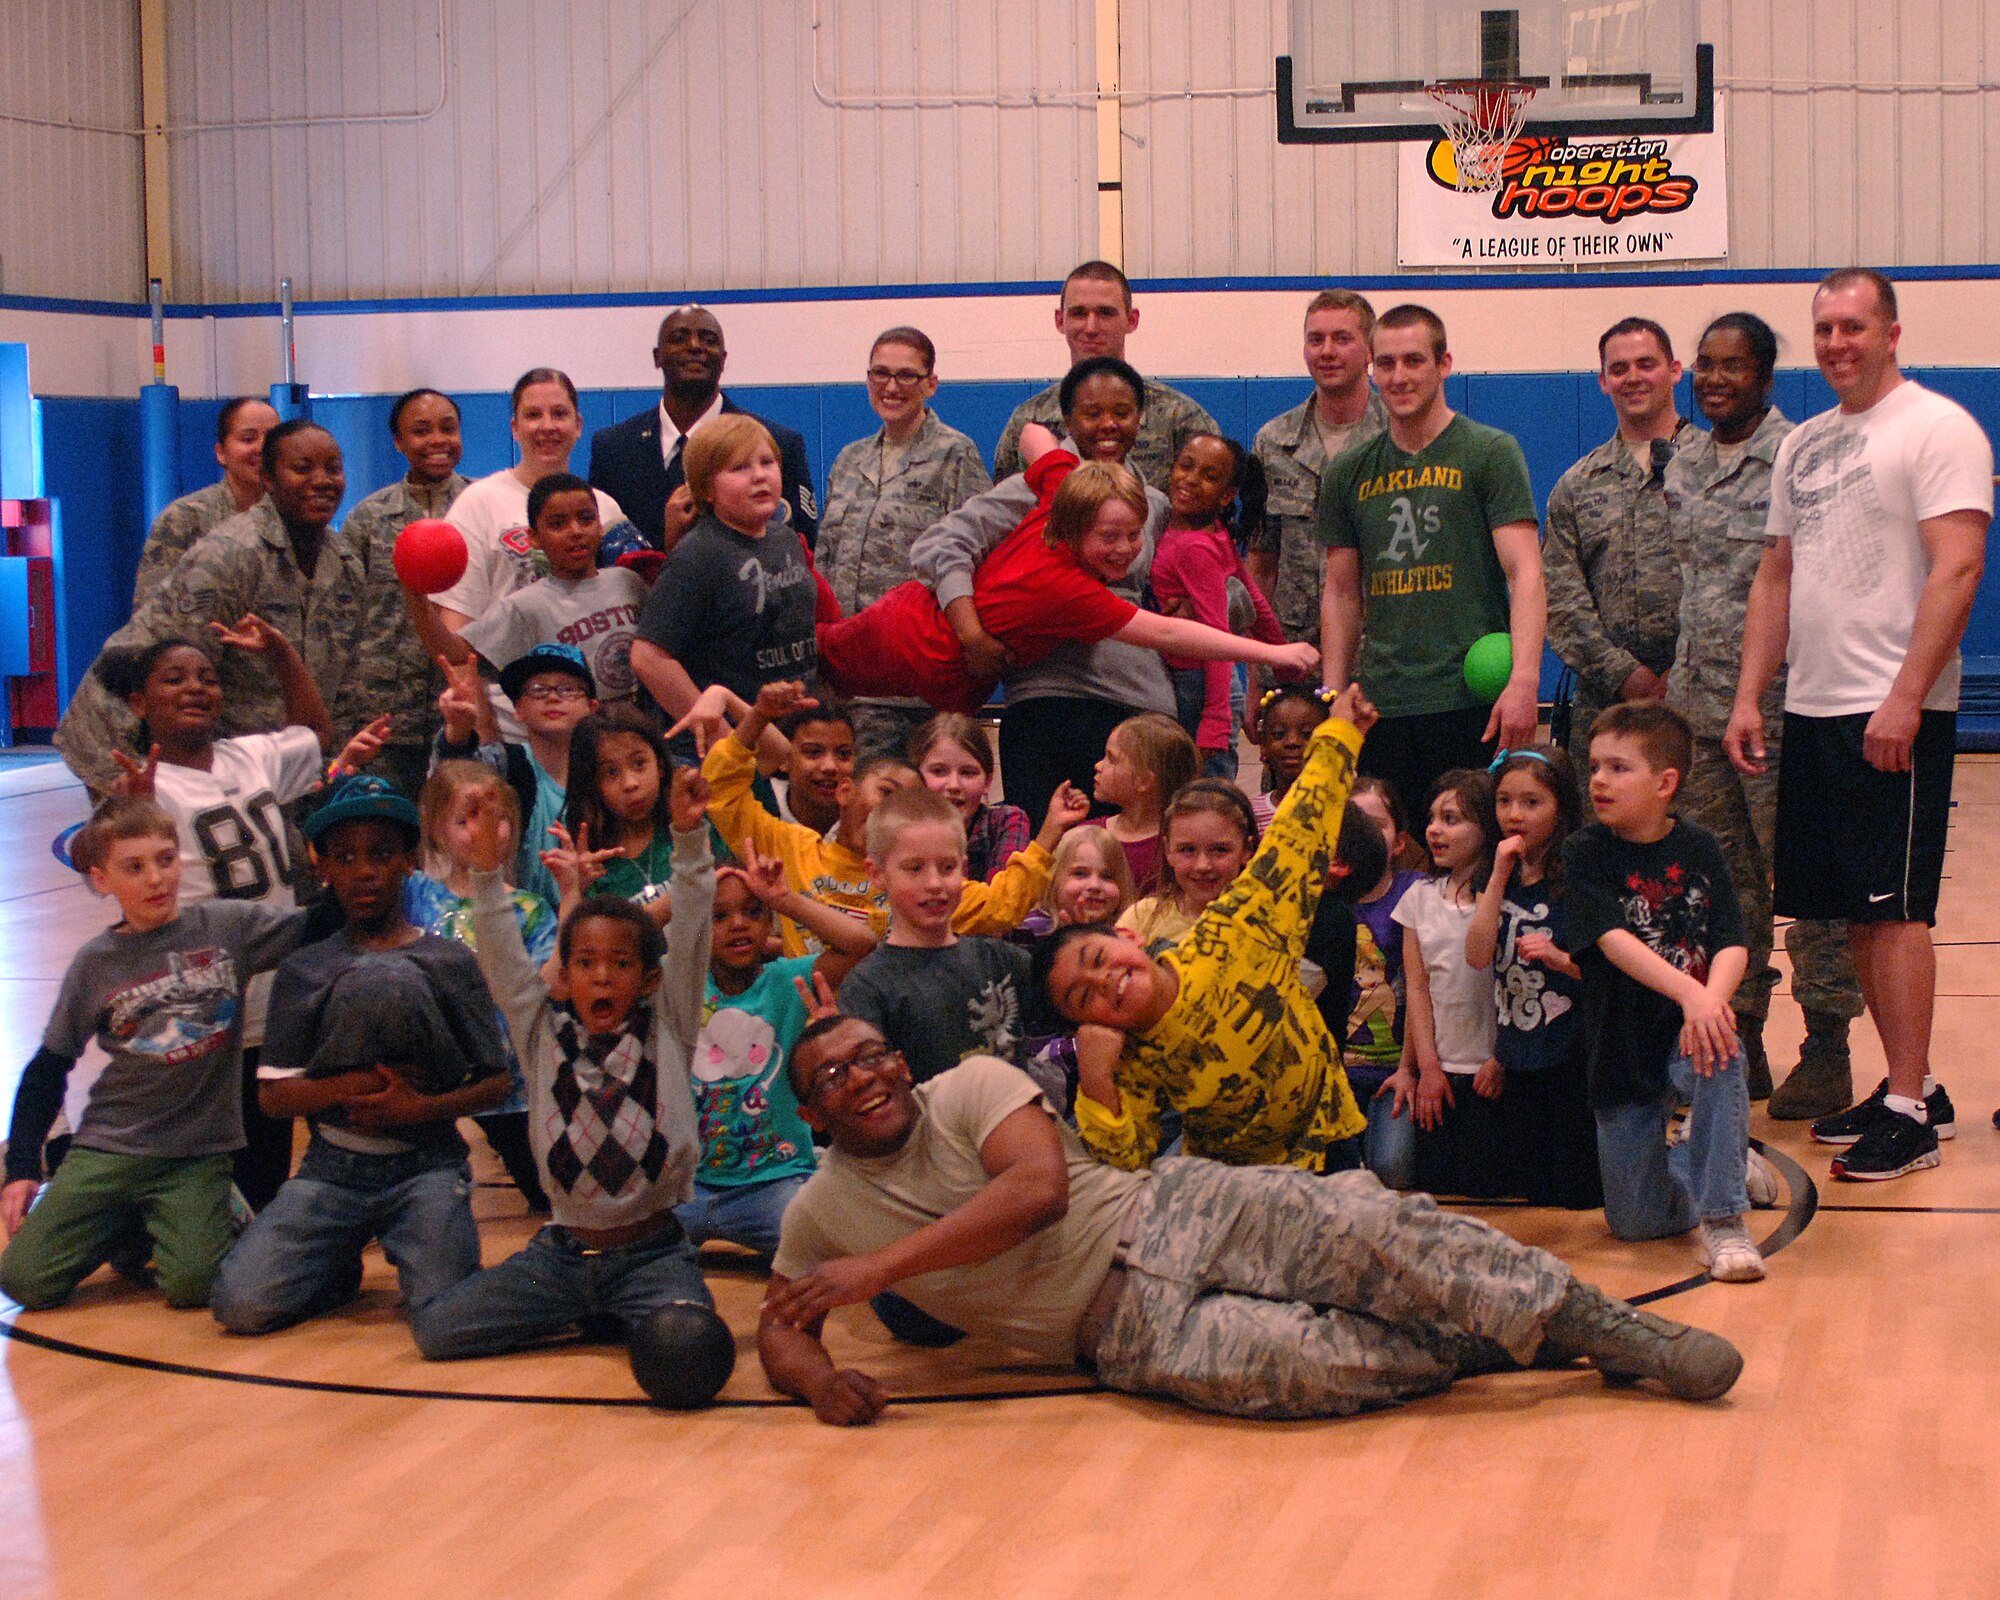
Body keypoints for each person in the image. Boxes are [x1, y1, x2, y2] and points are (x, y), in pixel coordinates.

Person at [759, 1026, 1745, 1425]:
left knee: (1385, 1238)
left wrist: (878, 1269)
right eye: (836, 1073)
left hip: (1173, 1207)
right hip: (1118, 1331)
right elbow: (778, 1321)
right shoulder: (820, 1213)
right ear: (812, 1115)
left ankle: (1615, 1330)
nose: (869, 1074)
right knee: (1313, 1370)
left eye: (873, 1053)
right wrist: (817, 1381)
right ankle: (1504, 1339)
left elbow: (1035, 1193)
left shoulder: (970, 1084)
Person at [1726, 268, 1992, 1181]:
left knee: (1895, 913)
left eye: (1854, 326)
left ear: (1891, 330)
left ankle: (1912, 1109)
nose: (1838, 343)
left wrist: (1908, 697)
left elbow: (1958, 568)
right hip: (1815, 706)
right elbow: (1775, 577)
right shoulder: (1802, 445)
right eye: (1825, 329)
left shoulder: (1937, 428)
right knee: (1849, 917)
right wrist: (1749, 695)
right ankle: (1905, 1084)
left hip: (1894, 709)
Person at [408, 767, 732, 1392]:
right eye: (585, 963)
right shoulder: (538, 1032)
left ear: (648, 977)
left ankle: (616, 1306)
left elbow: (691, 930)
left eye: (620, 963)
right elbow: (501, 953)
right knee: (437, 1332)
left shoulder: (669, 1024)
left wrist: (690, 843)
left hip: (653, 1256)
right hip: (559, 1258)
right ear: (565, 971)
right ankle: (584, 1307)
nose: (602, 978)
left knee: (692, 1351)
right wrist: (484, 870)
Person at [211, 777, 514, 1339]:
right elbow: (274, 1096)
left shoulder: (448, 961)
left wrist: (419, 1109)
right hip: (332, 1170)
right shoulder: (303, 969)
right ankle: (335, 1260)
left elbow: (495, 1082)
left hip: (427, 1163)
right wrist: (351, 1086)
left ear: (409, 861)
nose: (364, 870)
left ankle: (418, 1242)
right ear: (323, 869)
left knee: (443, 1313)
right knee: (240, 1304)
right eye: (345, 857)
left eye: (381, 854)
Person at [93, 623, 380, 1212]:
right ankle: (111, 1192)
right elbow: (100, 863)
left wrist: (281, 651)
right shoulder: (144, 786)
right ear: (140, 703)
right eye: (174, 679)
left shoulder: (252, 755)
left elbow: (316, 731)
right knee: (214, 1141)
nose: (196, 688)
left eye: (207, 677)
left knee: (276, 1137)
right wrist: (132, 811)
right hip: (210, 988)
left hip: (283, 973)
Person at [1035, 687, 1379, 1172]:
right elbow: (1124, 1156)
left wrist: (1340, 733)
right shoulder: (1133, 1059)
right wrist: (1095, 1076)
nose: (1102, 982)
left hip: (1327, 1140)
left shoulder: (1237, 926)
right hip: (1233, 1181)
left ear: (1129, 939)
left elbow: (1300, 831)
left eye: (1097, 961)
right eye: (1081, 996)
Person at [0, 798, 311, 1311]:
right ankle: (125, 1217)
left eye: (165, 860)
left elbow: (317, 927)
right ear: (102, 881)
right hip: (112, 1147)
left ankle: (197, 1211)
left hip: (196, 1152)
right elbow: (48, 1067)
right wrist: (20, 1168)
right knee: (25, 1281)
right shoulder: (94, 965)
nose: (154, 880)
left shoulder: (227, 929)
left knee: (192, 1287)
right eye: (134, 867)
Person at [1665, 313, 1863, 1115]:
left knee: (1810, 885)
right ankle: (1739, 1038)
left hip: (1786, 708)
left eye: (1733, 367)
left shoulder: (1801, 456)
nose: (1715, 380)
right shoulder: (1679, 460)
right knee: (1720, 885)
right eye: (1705, 366)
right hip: (1696, 710)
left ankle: (1827, 1047)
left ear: (1767, 376)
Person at [819, 436, 1314, 717]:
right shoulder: (1069, 590)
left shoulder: (1063, 491)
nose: (1124, 551)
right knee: (815, 668)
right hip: (913, 641)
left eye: (1134, 534)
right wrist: (1271, 652)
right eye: (1109, 538)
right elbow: (1164, 630)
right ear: (1077, 529)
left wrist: (1063, 453)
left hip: (944, 659)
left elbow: (1035, 437)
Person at [909, 355, 1179, 825]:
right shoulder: (1032, 491)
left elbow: (1183, 594)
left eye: (1122, 411)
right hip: (1046, 703)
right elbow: (941, 544)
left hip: (1139, 708)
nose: (1108, 424)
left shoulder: (1153, 503)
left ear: (1141, 417)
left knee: (1133, 860)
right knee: (1043, 859)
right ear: (1068, 420)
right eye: (1092, 414)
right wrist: (970, 633)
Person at [56, 419, 368, 798]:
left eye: (333, 469)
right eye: (302, 468)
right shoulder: (231, 555)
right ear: (267, 479)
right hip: (126, 740)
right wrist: (173, 784)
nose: (322, 480)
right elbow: (172, 678)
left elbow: (341, 685)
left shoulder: (345, 563)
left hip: (265, 758)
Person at [1315, 304, 1545, 814]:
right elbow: (1341, 591)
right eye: (1387, 363)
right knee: (1391, 860)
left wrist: (1525, 680)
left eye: (1414, 361)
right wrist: (1332, 696)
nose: (1399, 377)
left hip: (1471, 700)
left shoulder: (1489, 452)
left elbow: (1525, 572)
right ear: (1372, 370)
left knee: (1471, 853)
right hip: (1384, 703)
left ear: (1444, 364)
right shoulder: (1349, 470)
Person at [1566, 704, 1765, 1281]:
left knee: (1719, 1050)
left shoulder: (1699, 847)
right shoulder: (1585, 852)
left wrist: (1709, 1003)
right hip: (1623, 1043)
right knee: (1637, 1222)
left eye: (1618, 768)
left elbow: (1732, 939)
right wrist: (1692, 994)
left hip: (1691, 1030)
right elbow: (1610, 940)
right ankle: (1727, 1162)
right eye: (1595, 765)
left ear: (1665, 784)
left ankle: (1725, 1221)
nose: (1599, 779)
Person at [688, 681, 1068, 954]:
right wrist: (756, 717)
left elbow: (1002, 906)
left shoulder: (917, 874)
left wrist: (1050, 831)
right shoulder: (793, 848)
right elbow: (723, 792)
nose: (895, 809)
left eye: (908, 802)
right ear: (846, 792)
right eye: (887, 793)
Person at [680, 849, 875, 1256]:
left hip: (776, 1182)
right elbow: (628, 936)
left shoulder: (788, 978)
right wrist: (685, 894)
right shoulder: (678, 987)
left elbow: (862, 945)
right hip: (689, 1186)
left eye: (753, 912)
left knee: (827, 1247)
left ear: (769, 921)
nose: (738, 925)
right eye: (718, 916)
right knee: (624, 1240)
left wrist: (785, 899)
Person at [818, 327, 994, 758]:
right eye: (880, 373)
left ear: (930, 384)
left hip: (917, 686)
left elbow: (975, 557)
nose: (891, 387)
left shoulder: (955, 454)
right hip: (848, 681)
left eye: (906, 375)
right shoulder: (849, 459)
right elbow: (824, 559)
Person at [1544, 318, 1699, 785]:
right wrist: (1626, 675)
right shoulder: (1577, 485)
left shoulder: (1715, 468)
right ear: (1603, 381)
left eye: (1646, 364)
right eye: (1619, 368)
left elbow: (1740, 583)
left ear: (1674, 370)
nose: (1633, 377)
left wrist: (1679, 672)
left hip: (1701, 700)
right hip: (1606, 708)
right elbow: (1562, 598)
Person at [405, 758, 561, 1213]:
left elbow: (540, 990)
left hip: (511, 1087)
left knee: (546, 1195)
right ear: (434, 830)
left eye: (498, 819)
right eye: (465, 820)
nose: (484, 831)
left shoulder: (530, 909)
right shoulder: (415, 894)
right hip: (430, 1081)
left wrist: (569, 895)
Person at [839, 785, 1055, 1085]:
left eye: (947, 867)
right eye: (914, 868)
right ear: (876, 874)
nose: (934, 883)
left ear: (964, 869)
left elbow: (1066, 1008)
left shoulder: (1000, 959)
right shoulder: (868, 987)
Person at [1464, 748, 1604, 1208]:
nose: (1514, 815)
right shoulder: (1494, 873)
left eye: (1531, 802)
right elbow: (1479, 955)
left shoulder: (1580, 874)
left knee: (1581, 1193)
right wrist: (1501, 873)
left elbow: (1606, 972)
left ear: (1560, 806)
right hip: (1519, 1052)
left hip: (1571, 1051)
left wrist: (1559, 959)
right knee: (1534, 1189)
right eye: (1505, 802)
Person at [630, 414, 824, 730]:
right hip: (734, 747)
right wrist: (718, 730)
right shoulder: (698, 554)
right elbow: (648, 657)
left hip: (794, 732)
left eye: (767, 462)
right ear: (706, 488)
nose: (759, 476)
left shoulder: (784, 538)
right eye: (740, 468)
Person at [587, 304, 817, 553]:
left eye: (708, 340)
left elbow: (803, 546)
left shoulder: (778, 443)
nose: (695, 346)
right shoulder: (613, 448)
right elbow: (599, 549)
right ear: (657, 357)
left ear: (724, 359)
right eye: (679, 338)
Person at [429, 369, 631, 634]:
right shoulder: (479, 503)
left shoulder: (604, 507)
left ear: (578, 425)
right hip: (504, 671)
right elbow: (458, 618)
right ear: (515, 427)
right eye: (533, 415)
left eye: (559, 414)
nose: (548, 427)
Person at [343, 387, 471, 799]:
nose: (437, 440)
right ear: (398, 442)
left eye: (447, 428)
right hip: (385, 717)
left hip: (462, 710)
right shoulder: (368, 518)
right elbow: (344, 618)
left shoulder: (481, 506)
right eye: (421, 431)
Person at [1382, 770, 1505, 1197]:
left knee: (1489, 1189)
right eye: (1433, 817)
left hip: (1492, 1070)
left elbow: (1510, 986)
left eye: (1451, 819)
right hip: (1441, 1071)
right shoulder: (1418, 898)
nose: (1435, 829)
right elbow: (1417, 989)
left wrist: (1500, 1057)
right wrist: (1425, 1067)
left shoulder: (1503, 899)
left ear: (1485, 827)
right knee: (1437, 1185)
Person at [992, 261, 1219, 491]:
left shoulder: (1179, 418)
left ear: (1132, 320)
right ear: (1060, 321)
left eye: (1105, 313)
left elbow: (1207, 516)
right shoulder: (1030, 419)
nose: (1091, 327)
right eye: (1079, 313)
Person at [1249, 290, 1388, 648]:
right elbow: (1262, 562)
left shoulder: (1397, 438)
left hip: (1377, 650)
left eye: (1342, 339)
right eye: (1316, 339)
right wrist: (1257, 658)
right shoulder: (1274, 441)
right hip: (1294, 652)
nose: (1327, 351)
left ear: (1370, 351)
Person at [436, 472, 648, 704]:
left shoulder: (629, 582)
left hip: (639, 729)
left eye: (586, 519)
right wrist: (414, 594)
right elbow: (455, 652)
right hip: (572, 736)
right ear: (533, 538)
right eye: (558, 524)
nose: (575, 531)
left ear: (600, 525)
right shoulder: (524, 606)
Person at [1150, 434, 1288, 779]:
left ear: (1227, 496)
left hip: (1201, 686)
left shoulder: (1196, 547)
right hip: (1199, 681)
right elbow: (1256, 601)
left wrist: (1215, 717)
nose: (1191, 479)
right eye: (1186, 466)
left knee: (1205, 793)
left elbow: (1217, 636)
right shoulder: (1210, 533)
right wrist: (1283, 659)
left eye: (1210, 476)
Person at [434, 645, 598, 908]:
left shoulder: (607, 771)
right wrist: (458, 732)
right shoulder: (506, 763)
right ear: (517, 709)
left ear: (592, 706)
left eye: (568, 688)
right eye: (538, 689)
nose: (553, 697)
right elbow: (452, 783)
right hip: (513, 916)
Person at [130, 395, 281, 610]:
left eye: (271, 440)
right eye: (248, 439)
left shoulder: (293, 518)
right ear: (221, 453)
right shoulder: (184, 519)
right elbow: (150, 613)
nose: (261, 448)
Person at [1118, 780, 1257, 955]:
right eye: (1188, 850)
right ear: (1168, 850)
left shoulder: (1266, 925)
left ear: (1247, 850)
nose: (1203, 865)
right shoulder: (1142, 917)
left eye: (1220, 850)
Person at [1083, 710, 1198, 899]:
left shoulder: (1180, 847)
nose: (1098, 765)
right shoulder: (1089, 834)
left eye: (1111, 759)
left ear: (1144, 780)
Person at [909, 713, 1029, 884]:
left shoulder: (1005, 822)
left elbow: (1001, 901)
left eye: (967, 773)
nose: (953, 785)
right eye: (938, 771)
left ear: (987, 781)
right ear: (916, 776)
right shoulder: (899, 826)